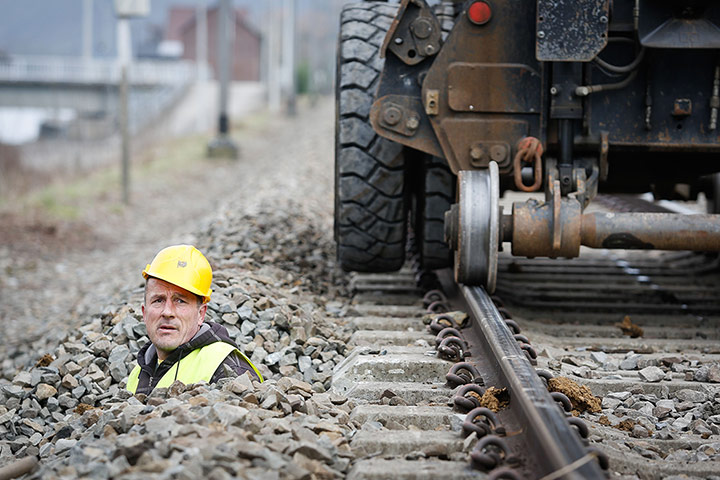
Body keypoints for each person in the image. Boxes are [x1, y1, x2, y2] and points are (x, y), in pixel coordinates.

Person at [127, 245, 262, 395]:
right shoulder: (138, 372)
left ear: (201, 314)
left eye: (180, 301)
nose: (167, 312)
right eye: (158, 300)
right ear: (144, 313)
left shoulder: (227, 367)